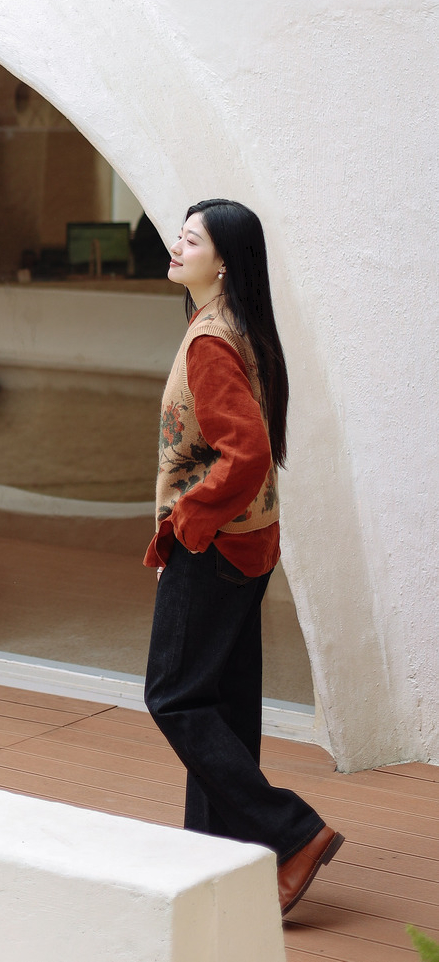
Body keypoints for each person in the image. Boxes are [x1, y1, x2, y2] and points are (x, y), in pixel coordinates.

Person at [142, 198, 343, 917]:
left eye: (191, 239)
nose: (176, 245)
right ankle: (217, 859)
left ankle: (292, 833)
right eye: (179, 234)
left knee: (173, 695)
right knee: (221, 704)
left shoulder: (210, 340)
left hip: (215, 544)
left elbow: (248, 451)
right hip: (249, 541)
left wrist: (187, 521)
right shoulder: (239, 324)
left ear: (223, 261)